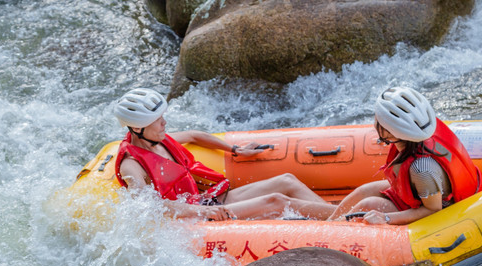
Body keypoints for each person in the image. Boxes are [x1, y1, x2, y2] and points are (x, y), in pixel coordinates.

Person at [113, 88, 334, 221]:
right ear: (138, 128)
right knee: (275, 201)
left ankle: (340, 216)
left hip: (209, 200)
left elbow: (194, 135)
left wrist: (236, 150)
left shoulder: (158, 139)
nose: (164, 123)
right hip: (196, 217)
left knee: (287, 180)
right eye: (157, 120)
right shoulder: (131, 165)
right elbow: (148, 207)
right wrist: (199, 212)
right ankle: (345, 221)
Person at [329, 86, 482, 225]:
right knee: (364, 191)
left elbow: (433, 210)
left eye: (378, 118)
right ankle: (328, 224)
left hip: (440, 209)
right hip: (417, 194)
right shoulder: (415, 137)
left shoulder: (422, 169)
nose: (375, 119)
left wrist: (386, 218)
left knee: (368, 205)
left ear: (391, 133)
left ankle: (333, 234)